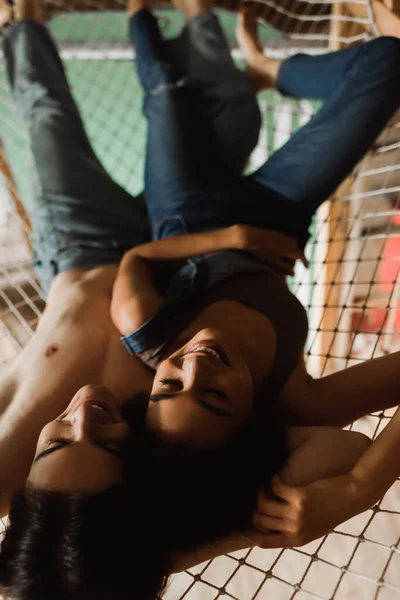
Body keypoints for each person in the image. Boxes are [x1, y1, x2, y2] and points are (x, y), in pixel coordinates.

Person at [109, 0, 400, 567]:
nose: (197, 363)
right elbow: (353, 449)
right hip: (278, 213)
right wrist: (361, 487)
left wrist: (233, 239)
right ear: (251, 419)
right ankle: (271, 70)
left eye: (169, 387)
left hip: (186, 215)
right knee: (390, 64)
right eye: (215, 394)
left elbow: (138, 258)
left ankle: (139, 13)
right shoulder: (295, 400)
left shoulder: (148, 331)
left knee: (167, 94)